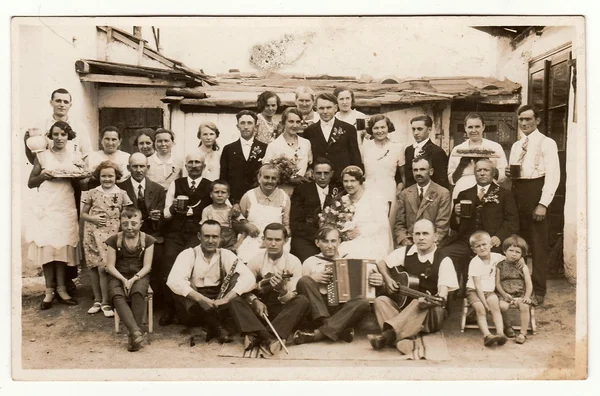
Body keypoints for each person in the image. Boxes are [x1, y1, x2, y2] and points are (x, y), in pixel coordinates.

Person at [367, 219, 458, 351]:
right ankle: (403, 339)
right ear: (413, 236)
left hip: (432, 313)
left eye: (425, 234)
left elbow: (442, 297)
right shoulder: (407, 251)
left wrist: (429, 302)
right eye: (417, 234)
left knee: (417, 303)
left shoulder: (444, 260)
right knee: (380, 300)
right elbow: (382, 263)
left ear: (435, 237)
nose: (421, 238)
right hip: (405, 311)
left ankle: (388, 336)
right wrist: (387, 279)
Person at [166, 220, 258, 344]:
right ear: (199, 236)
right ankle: (218, 327)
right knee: (181, 287)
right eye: (207, 236)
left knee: (237, 278)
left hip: (217, 301)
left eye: (215, 237)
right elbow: (173, 280)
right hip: (193, 307)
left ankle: (211, 326)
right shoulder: (188, 254)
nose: (210, 241)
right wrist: (200, 299)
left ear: (220, 238)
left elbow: (249, 278)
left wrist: (227, 298)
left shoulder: (226, 254)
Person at [507, 105, 560, 305]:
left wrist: (543, 203)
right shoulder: (516, 146)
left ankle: (538, 291)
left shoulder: (547, 143)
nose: (524, 123)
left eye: (528, 119)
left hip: (536, 192)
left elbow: (553, 175)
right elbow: (516, 173)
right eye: (521, 119)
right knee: (516, 243)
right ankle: (516, 286)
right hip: (517, 192)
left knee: (537, 245)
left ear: (537, 121)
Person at [293, 226, 381, 345]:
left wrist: (378, 280)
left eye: (333, 241)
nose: (330, 246)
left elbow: (369, 281)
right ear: (317, 243)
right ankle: (334, 327)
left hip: (342, 309)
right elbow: (300, 290)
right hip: (319, 308)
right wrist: (312, 279)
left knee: (363, 302)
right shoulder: (310, 262)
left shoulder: (349, 258)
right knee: (304, 280)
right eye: (325, 241)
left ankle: (319, 334)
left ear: (339, 241)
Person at [442, 159, 519, 292]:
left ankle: (486, 291)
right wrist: (456, 214)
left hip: (492, 242)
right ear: (474, 173)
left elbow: (512, 222)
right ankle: (450, 292)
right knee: (443, 254)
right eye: (479, 170)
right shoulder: (464, 194)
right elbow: (455, 226)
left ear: (493, 173)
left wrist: (498, 237)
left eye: (486, 170)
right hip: (466, 241)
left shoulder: (505, 194)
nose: (482, 173)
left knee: (492, 262)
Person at [26, 121, 81, 309]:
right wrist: (44, 176)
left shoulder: (74, 154)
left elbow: (81, 175)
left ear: (69, 137)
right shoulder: (42, 156)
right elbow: (31, 182)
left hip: (65, 205)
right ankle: (49, 291)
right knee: (48, 250)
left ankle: (62, 290)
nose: (59, 138)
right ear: (50, 136)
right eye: (56, 134)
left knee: (62, 250)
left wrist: (79, 174)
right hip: (47, 208)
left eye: (63, 135)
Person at [160, 150, 213, 325]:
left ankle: (189, 309)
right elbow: (166, 214)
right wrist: (173, 208)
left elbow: (223, 205)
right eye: (190, 163)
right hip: (175, 232)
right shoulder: (177, 184)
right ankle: (169, 308)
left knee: (190, 266)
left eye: (198, 162)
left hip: (196, 233)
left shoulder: (210, 185)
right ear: (186, 165)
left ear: (204, 166)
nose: (194, 166)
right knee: (168, 262)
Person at [244, 223, 309, 354]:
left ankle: (259, 333)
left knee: (303, 301)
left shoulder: (294, 262)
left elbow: (294, 296)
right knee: (235, 300)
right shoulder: (255, 260)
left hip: (281, 309)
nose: (273, 244)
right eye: (269, 239)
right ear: (263, 240)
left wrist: (283, 290)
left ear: (285, 241)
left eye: (278, 240)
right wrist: (255, 301)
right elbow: (245, 288)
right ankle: (271, 336)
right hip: (261, 307)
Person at [81, 161, 133, 318]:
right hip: (92, 232)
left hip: (110, 234)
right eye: (104, 176)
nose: (107, 179)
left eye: (111, 176)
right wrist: (93, 218)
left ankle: (105, 302)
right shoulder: (92, 192)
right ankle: (97, 300)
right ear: (99, 177)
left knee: (105, 267)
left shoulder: (122, 194)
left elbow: (127, 215)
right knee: (93, 267)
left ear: (116, 177)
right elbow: (83, 214)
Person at [117, 153, 166, 304]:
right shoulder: (120, 188)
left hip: (153, 233)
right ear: (128, 168)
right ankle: (128, 295)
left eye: (142, 166)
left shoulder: (158, 189)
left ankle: (156, 299)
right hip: (128, 234)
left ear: (148, 167)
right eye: (135, 166)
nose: (138, 170)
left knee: (159, 255)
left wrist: (158, 219)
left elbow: (164, 218)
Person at [105, 207, 156, 352]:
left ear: (141, 223)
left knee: (138, 292)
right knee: (117, 295)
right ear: (120, 224)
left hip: (139, 274)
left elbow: (147, 266)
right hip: (118, 274)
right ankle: (136, 332)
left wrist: (134, 279)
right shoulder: (114, 240)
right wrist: (122, 279)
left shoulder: (148, 240)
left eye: (134, 223)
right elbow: (110, 266)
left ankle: (132, 336)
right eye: (125, 224)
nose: (129, 227)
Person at [303, 93, 363, 187]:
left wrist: (357, 180)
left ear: (335, 108)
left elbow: (355, 156)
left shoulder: (348, 129)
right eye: (321, 108)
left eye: (329, 107)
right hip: (318, 181)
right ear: (316, 109)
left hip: (342, 181)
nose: (325, 111)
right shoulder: (309, 131)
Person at [236, 164, 291, 263]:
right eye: (266, 177)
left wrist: (273, 241)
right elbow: (236, 221)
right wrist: (246, 225)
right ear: (259, 178)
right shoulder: (248, 196)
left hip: (276, 241)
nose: (270, 181)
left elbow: (286, 225)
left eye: (273, 178)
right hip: (251, 239)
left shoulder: (284, 197)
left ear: (277, 180)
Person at [336, 166, 392, 262]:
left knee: (354, 254)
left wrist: (361, 231)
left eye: (353, 181)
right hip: (349, 239)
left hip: (373, 238)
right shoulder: (343, 200)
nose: (349, 184)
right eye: (346, 181)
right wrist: (345, 234)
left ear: (360, 181)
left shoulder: (374, 198)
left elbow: (382, 224)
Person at [447, 113, 507, 200]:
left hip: (488, 188)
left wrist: (487, 164)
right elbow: (451, 180)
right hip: (463, 188)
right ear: (465, 128)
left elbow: (503, 177)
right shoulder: (458, 149)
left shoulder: (495, 147)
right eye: (470, 127)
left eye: (477, 126)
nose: (474, 130)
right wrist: (462, 165)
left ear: (483, 127)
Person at [394, 157, 451, 248]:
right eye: (415, 170)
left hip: (434, 243)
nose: (418, 173)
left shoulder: (442, 193)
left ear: (431, 171)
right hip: (410, 242)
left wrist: (427, 244)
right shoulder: (405, 194)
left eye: (422, 169)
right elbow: (399, 224)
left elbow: (442, 226)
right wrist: (404, 240)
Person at [24, 88, 92, 164]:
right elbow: (35, 160)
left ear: (70, 105)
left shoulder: (80, 126)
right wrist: (27, 143)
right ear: (51, 102)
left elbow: (86, 155)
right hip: (48, 172)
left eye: (65, 102)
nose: (62, 105)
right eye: (58, 101)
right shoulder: (40, 126)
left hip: (73, 172)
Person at [465, 231, 508, 347]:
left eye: (484, 244)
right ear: (474, 250)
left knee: (495, 305)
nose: (482, 248)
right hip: (474, 290)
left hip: (489, 291)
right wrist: (484, 303)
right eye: (478, 246)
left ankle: (500, 333)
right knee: (481, 309)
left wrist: (521, 260)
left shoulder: (496, 257)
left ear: (490, 244)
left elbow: (509, 259)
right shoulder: (475, 263)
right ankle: (487, 335)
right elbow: (478, 286)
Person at [290, 157, 337, 262]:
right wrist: (318, 236)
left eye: (326, 173)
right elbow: (295, 222)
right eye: (319, 173)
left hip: (331, 239)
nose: (322, 177)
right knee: (311, 261)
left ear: (332, 174)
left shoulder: (337, 190)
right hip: (306, 238)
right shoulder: (302, 190)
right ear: (313, 174)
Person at [361, 114, 405, 224]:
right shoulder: (365, 147)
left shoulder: (397, 147)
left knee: (387, 223)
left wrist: (400, 191)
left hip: (389, 189)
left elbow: (402, 174)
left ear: (388, 128)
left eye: (382, 127)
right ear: (371, 129)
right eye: (376, 128)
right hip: (369, 189)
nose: (379, 131)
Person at [219, 110, 268, 203]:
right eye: (242, 123)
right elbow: (223, 177)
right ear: (238, 126)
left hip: (258, 198)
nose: (246, 127)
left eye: (249, 123)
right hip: (234, 199)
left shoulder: (265, 148)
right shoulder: (228, 149)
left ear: (255, 126)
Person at [263, 107, 313, 195]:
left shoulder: (306, 143)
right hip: (281, 191)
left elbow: (309, 165)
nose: (295, 125)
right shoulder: (273, 145)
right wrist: (288, 179)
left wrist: (309, 172)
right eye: (291, 121)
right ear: (283, 123)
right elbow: (266, 171)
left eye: (298, 122)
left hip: (302, 191)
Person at [496, 235, 536, 344]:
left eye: (518, 252)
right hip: (505, 294)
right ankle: (508, 326)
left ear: (522, 254)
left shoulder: (523, 266)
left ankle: (523, 333)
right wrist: (504, 294)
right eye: (511, 250)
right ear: (504, 251)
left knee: (524, 306)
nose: (514, 254)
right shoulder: (500, 266)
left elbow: (529, 283)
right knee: (502, 306)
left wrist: (527, 296)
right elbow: (497, 283)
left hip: (520, 293)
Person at [404, 115, 449, 189]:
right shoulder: (409, 150)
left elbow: (441, 181)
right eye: (413, 129)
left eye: (419, 129)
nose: (416, 133)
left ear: (429, 129)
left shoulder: (438, 152)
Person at [201, 180, 245, 252]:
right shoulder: (207, 210)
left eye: (223, 192)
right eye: (216, 192)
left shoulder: (232, 210)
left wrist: (238, 243)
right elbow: (204, 229)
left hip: (230, 239)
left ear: (228, 195)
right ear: (211, 194)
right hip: (214, 238)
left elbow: (244, 226)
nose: (220, 195)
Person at [334, 87, 367, 155]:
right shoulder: (334, 118)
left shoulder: (360, 117)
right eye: (341, 99)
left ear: (352, 99)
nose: (345, 102)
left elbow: (365, 138)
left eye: (347, 98)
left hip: (357, 154)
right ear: (336, 101)